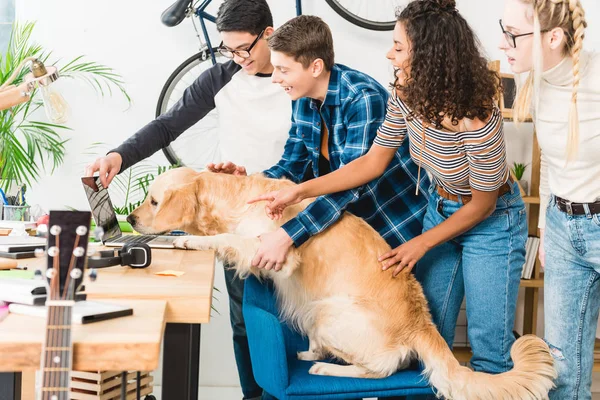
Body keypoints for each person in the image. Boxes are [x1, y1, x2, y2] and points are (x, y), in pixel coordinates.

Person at [251, 0, 528, 389]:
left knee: (488, 353)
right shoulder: (405, 93)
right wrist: (301, 188)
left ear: (430, 53)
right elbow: (370, 164)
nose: (388, 53)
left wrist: (420, 244)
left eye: (398, 47)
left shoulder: (476, 115)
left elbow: (482, 205)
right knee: (430, 343)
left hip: (493, 221)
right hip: (440, 207)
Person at [84, 1, 292, 398]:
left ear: (268, 33)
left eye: (243, 48)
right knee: (245, 320)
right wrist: (118, 156)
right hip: (235, 221)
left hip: (290, 214)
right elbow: (168, 125)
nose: (237, 58)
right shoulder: (219, 78)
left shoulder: (294, 77)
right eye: (228, 49)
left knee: (291, 323)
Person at [214, 14, 429, 280]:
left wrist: (288, 235)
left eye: (284, 69)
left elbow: (351, 184)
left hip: (396, 228)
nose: (275, 79)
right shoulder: (302, 96)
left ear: (315, 67)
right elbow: (291, 165)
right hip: (352, 234)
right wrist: (246, 184)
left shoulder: (362, 98)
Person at [500, 0, 599, 398]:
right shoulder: (536, 82)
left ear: (553, 37)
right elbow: (556, 161)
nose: (504, 44)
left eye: (513, 35)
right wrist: (545, 226)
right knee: (562, 361)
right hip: (561, 226)